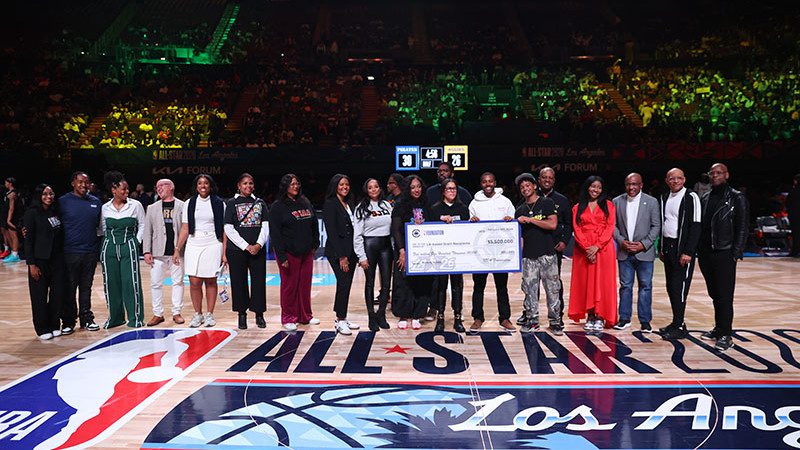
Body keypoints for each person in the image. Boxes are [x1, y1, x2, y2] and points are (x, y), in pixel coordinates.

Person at [698, 163, 748, 352]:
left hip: (725, 252)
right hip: (706, 253)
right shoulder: (706, 197)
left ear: (727, 175)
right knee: (714, 293)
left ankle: (726, 334)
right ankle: (719, 328)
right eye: (712, 173)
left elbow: (743, 226)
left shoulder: (736, 197)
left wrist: (736, 252)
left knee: (725, 295)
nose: (715, 176)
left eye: (719, 173)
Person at [517, 167, 572, 326]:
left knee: (553, 290)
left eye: (528, 185)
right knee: (530, 291)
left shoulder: (548, 202)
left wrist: (530, 220)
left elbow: (553, 224)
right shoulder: (520, 209)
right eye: (522, 187)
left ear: (535, 186)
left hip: (549, 253)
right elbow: (519, 236)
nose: (525, 188)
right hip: (529, 256)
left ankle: (555, 321)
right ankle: (532, 320)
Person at [269, 174, 321, 331]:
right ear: (285, 186)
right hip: (289, 252)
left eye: (297, 183)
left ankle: (305, 316)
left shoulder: (304, 201)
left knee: (305, 285)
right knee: (289, 286)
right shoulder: (278, 206)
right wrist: (281, 255)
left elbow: (313, 224)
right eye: (292, 184)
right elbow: (275, 233)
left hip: (306, 252)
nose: (296, 186)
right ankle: (288, 318)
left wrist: (315, 242)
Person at [174, 174, 226, 328]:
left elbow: (224, 230)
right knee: (194, 281)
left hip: (213, 243)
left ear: (210, 186)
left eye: (206, 183)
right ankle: (198, 314)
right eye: (200, 183)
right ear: (196, 186)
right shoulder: (189, 203)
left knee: (211, 280)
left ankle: (209, 315)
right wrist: (177, 249)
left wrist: (224, 253)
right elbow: (185, 228)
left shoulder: (219, 204)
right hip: (194, 243)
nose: (203, 186)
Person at [612, 173, 661, 333]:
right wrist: (621, 242)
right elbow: (613, 226)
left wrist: (643, 244)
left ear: (641, 185)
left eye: (635, 184)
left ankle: (645, 321)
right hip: (624, 251)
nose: (631, 187)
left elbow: (656, 226)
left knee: (645, 286)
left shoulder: (652, 202)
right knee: (625, 286)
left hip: (644, 252)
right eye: (628, 184)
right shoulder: (617, 201)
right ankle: (624, 318)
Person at [468, 172, 515, 332]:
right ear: (480, 184)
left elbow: (513, 225)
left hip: (500, 252)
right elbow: (470, 228)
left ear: (495, 182)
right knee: (478, 286)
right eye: (484, 182)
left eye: (490, 181)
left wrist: (510, 219)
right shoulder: (474, 203)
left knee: (502, 287)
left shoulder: (505, 201)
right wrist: (472, 221)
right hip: (481, 253)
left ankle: (505, 318)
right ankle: (477, 318)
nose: (487, 184)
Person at [569, 175, 618, 331]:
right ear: (587, 187)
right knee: (585, 283)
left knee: (602, 283)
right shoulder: (577, 207)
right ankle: (590, 315)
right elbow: (576, 229)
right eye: (593, 186)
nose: (595, 190)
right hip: (583, 250)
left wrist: (596, 246)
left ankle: (600, 316)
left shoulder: (609, 206)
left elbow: (610, 227)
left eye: (598, 187)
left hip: (603, 249)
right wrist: (587, 247)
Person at [425, 161, 472, 321]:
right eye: (439, 171)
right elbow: (428, 221)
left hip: (458, 250)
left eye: (445, 170)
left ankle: (458, 311)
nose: (441, 173)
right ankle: (436, 310)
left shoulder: (464, 202)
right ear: (443, 191)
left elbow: (468, 226)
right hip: (439, 249)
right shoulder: (433, 199)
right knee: (438, 282)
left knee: (457, 283)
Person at [658, 168, 702, 340]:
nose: (675, 181)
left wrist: (688, 251)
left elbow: (696, 226)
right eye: (671, 178)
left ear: (684, 179)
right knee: (671, 287)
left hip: (683, 249)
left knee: (680, 289)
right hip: (668, 247)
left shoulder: (691, 197)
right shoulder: (664, 197)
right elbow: (664, 223)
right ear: (667, 180)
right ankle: (676, 322)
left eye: (678, 178)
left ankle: (680, 325)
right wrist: (661, 248)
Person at [100, 171, 146, 328]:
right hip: (109, 248)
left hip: (129, 246)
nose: (127, 192)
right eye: (123, 189)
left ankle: (135, 318)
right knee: (111, 283)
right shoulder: (105, 207)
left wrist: (136, 242)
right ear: (114, 189)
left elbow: (143, 225)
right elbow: (103, 228)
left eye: (127, 189)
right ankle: (115, 318)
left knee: (130, 282)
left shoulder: (136, 205)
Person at [224, 173, 269, 330]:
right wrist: (246, 246)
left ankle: (259, 315)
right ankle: (241, 315)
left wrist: (258, 244)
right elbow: (228, 228)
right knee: (238, 282)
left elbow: (265, 225)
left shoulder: (260, 203)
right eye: (244, 183)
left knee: (258, 282)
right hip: (237, 250)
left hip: (258, 250)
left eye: (250, 183)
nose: (248, 186)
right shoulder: (231, 203)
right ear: (239, 185)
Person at [59, 171, 102, 333]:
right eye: (80, 182)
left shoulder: (96, 202)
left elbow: (99, 226)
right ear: (73, 183)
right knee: (69, 288)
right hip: (70, 252)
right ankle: (69, 321)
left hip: (90, 252)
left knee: (86, 287)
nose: (83, 185)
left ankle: (86, 319)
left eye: (86, 182)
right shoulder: (63, 202)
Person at [391, 175, 434, 330]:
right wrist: (402, 251)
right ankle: (404, 314)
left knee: (421, 282)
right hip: (404, 249)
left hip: (422, 250)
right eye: (413, 187)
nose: (416, 190)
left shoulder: (426, 203)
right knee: (403, 282)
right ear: (407, 189)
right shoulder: (400, 204)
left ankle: (417, 314)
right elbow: (395, 230)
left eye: (418, 186)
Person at [24, 184, 66, 340]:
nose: (49, 196)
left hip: (56, 260)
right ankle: (41, 327)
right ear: (38, 195)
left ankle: (54, 324)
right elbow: (28, 241)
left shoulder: (55, 212)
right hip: (39, 261)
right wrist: (31, 265)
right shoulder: (32, 213)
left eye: (51, 193)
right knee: (39, 296)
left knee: (57, 295)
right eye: (45, 194)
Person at [142, 178, 185, 326]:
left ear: (171, 187)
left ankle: (176, 312)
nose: (158, 188)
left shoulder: (182, 206)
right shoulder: (152, 207)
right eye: (157, 186)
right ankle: (157, 314)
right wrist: (146, 251)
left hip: (177, 252)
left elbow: (186, 230)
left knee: (178, 282)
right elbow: (147, 230)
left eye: (162, 186)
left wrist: (180, 249)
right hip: (157, 252)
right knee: (155, 284)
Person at [353, 178, 393, 331]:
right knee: (369, 282)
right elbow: (357, 234)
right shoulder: (361, 208)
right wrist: (361, 256)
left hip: (386, 246)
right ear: (366, 190)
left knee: (386, 283)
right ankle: (371, 316)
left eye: (376, 186)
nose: (374, 189)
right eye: (370, 187)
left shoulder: (386, 205)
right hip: (369, 245)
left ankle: (381, 314)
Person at [323, 174, 360, 335]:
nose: (345, 187)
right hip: (338, 253)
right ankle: (340, 320)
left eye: (347, 184)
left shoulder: (349, 202)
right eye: (341, 185)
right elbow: (331, 232)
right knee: (344, 283)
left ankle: (342, 317)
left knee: (346, 284)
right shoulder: (330, 204)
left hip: (351, 251)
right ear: (335, 186)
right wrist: (342, 256)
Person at [1, 177, 23, 263]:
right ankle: (13, 253)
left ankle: (15, 255)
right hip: (9, 216)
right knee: (10, 234)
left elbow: (11, 208)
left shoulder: (12, 194)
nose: (5, 184)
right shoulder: (9, 193)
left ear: (10, 183)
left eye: (6, 182)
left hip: (13, 217)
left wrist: (9, 219)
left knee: (14, 235)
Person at [788, 173, 800, 258]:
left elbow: (788, 202)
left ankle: (795, 252)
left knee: (796, 234)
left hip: (795, 216)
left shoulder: (794, 191)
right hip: (795, 215)